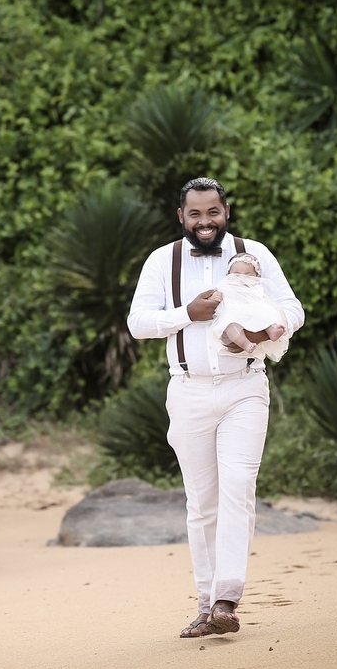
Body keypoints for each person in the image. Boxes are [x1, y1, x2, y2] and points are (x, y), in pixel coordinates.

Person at [127, 177, 304, 639]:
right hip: (187, 391)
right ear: (181, 217)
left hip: (245, 386)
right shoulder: (161, 261)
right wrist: (189, 313)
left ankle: (228, 596)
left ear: (227, 211)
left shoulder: (255, 253)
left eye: (213, 212)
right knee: (201, 505)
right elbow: (138, 323)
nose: (205, 222)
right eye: (195, 214)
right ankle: (206, 606)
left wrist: (270, 331)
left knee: (239, 486)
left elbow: (293, 308)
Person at [207, 253, 289, 362]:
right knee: (229, 324)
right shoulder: (225, 286)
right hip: (234, 315)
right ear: (228, 275)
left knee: (267, 314)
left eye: (248, 275)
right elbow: (214, 296)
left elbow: (264, 303)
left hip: (254, 314)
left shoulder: (256, 289)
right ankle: (245, 343)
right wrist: (214, 296)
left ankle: (271, 331)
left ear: (257, 277)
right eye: (236, 275)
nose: (242, 279)